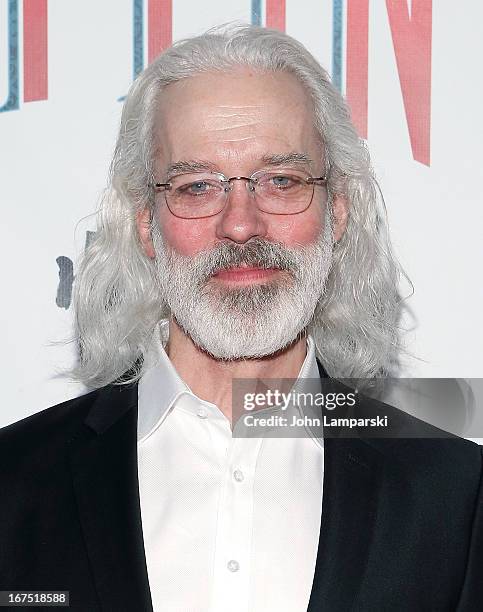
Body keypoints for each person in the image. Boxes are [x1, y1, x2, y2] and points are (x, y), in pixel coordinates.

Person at [0, 24, 481, 612]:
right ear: (147, 224)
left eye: (281, 181)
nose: (241, 224)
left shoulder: (456, 495)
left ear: (337, 213)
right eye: (196, 186)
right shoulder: (13, 484)